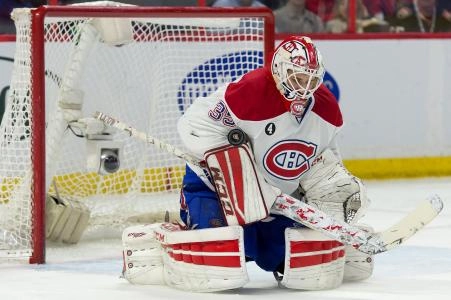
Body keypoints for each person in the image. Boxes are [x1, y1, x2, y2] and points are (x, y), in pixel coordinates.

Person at [120, 36, 374, 292]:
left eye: (311, 80)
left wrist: (332, 192)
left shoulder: (327, 110)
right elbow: (192, 125)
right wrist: (244, 179)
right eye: (298, 78)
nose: (304, 88)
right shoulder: (250, 92)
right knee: (218, 262)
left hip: (276, 202)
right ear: (279, 70)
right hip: (216, 191)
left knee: (302, 264)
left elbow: (326, 160)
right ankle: (162, 240)